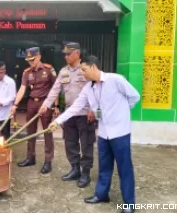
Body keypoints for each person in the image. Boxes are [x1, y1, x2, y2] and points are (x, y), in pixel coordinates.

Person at [49, 55, 140, 213]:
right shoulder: (88, 88)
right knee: (104, 166)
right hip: (104, 133)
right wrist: (58, 121)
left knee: (125, 168)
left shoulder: (115, 80)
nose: (82, 73)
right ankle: (101, 194)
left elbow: (134, 96)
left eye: (84, 70)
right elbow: (75, 107)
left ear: (93, 67)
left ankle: (129, 204)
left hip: (120, 132)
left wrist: (122, 113)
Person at [39, 42, 96, 188]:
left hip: (85, 114)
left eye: (68, 54)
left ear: (77, 53)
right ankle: (75, 169)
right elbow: (55, 89)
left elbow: (96, 89)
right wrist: (46, 104)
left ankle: (86, 173)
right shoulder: (63, 71)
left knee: (86, 144)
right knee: (70, 143)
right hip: (69, 113)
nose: (66, 56)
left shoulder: (86, 69)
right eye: (64, 54)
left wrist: (93, 109)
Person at [10, 47, 58, 174]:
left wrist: (56, 106)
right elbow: (22, 88)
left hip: (45, 103)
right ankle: (30, 157)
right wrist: (15, 104)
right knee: (30, 131)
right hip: (31, 103)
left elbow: (56, 87)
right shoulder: (27, 72)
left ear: (39, 57)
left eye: (32, 60)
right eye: (28, 60)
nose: (30, 62)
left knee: (47, 132)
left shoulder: (48, 69)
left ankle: (48, 161)